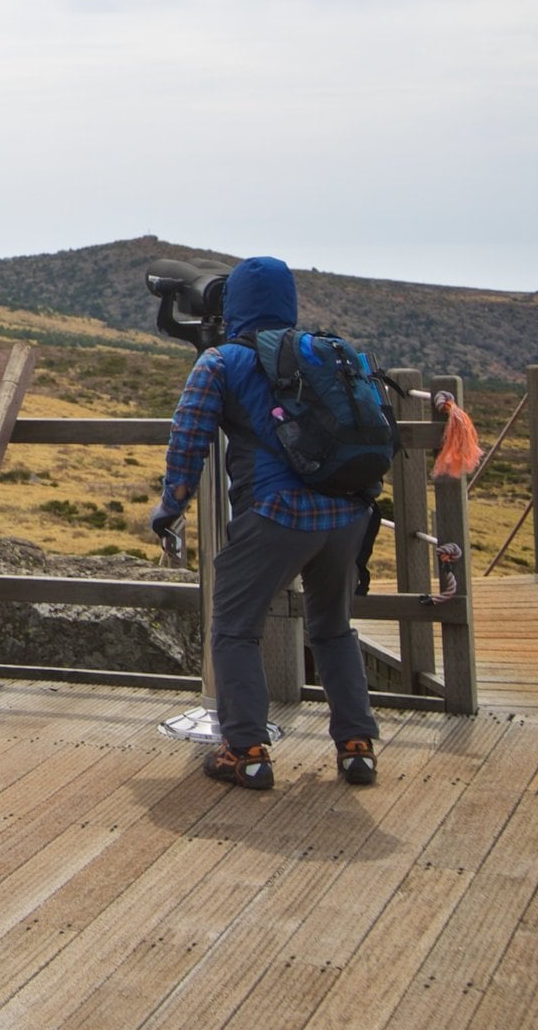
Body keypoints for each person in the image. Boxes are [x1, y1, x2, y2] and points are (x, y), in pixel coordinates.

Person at [150, 255, 381, 791]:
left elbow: (188, 443)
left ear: (235, 305)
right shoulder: (326, 352)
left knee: (233, 629)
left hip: (276, 515)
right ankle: (356, 746)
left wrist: (170, 508)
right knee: (333, 629)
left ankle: (246, 751)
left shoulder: (221, 361)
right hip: (348, 513)